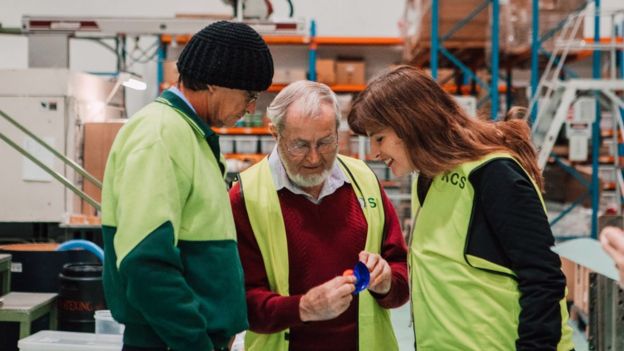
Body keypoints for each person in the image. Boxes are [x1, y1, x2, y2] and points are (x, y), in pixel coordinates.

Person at [347, 65, 575, 351]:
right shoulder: (430, 178)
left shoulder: (493, 174)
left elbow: (543, 279)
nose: (374, 153)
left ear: (411, 124)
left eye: (379, 138)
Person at [101, 21, 274, 351]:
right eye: (249, 96)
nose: (251, 108)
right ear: (214, 84)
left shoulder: (188, 134)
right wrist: (194, 341)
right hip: (169, 342)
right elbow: (145, 262)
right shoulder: (161, 136)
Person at [229, 80, 409, 351]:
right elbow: (240, 304)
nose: (314, 159)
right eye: (299, 145)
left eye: (325, 143)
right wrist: (303, 308)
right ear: (275, 134)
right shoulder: (246, 196)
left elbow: (400, 276)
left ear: (338, 133)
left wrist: (385, 284)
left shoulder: (364, 180)